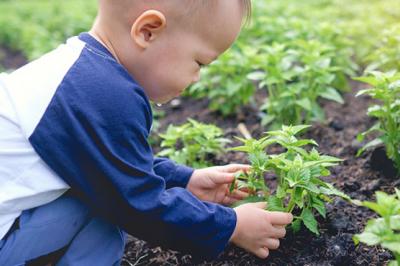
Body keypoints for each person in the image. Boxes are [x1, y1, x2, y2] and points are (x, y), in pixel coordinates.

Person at [0, 0, 293, 265]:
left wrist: (186, 180)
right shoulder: (105, 93)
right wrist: (231, 226)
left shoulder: (81, 73)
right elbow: (136, 203)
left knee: (100, 197)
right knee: (106, 207)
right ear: (148, 31)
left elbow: (109, 164)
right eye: (199, 62)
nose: (196, 77)